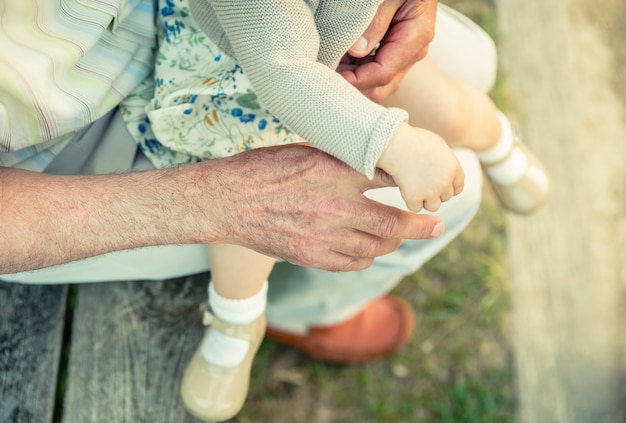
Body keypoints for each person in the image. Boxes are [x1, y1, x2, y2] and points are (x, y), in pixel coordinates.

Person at [0, 0, 533, 421]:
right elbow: (282, 69)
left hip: (333, 42)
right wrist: (388, 140)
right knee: (248, 183)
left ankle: (500, 143)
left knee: (454, 90)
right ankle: (244, 318)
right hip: (239, 73)